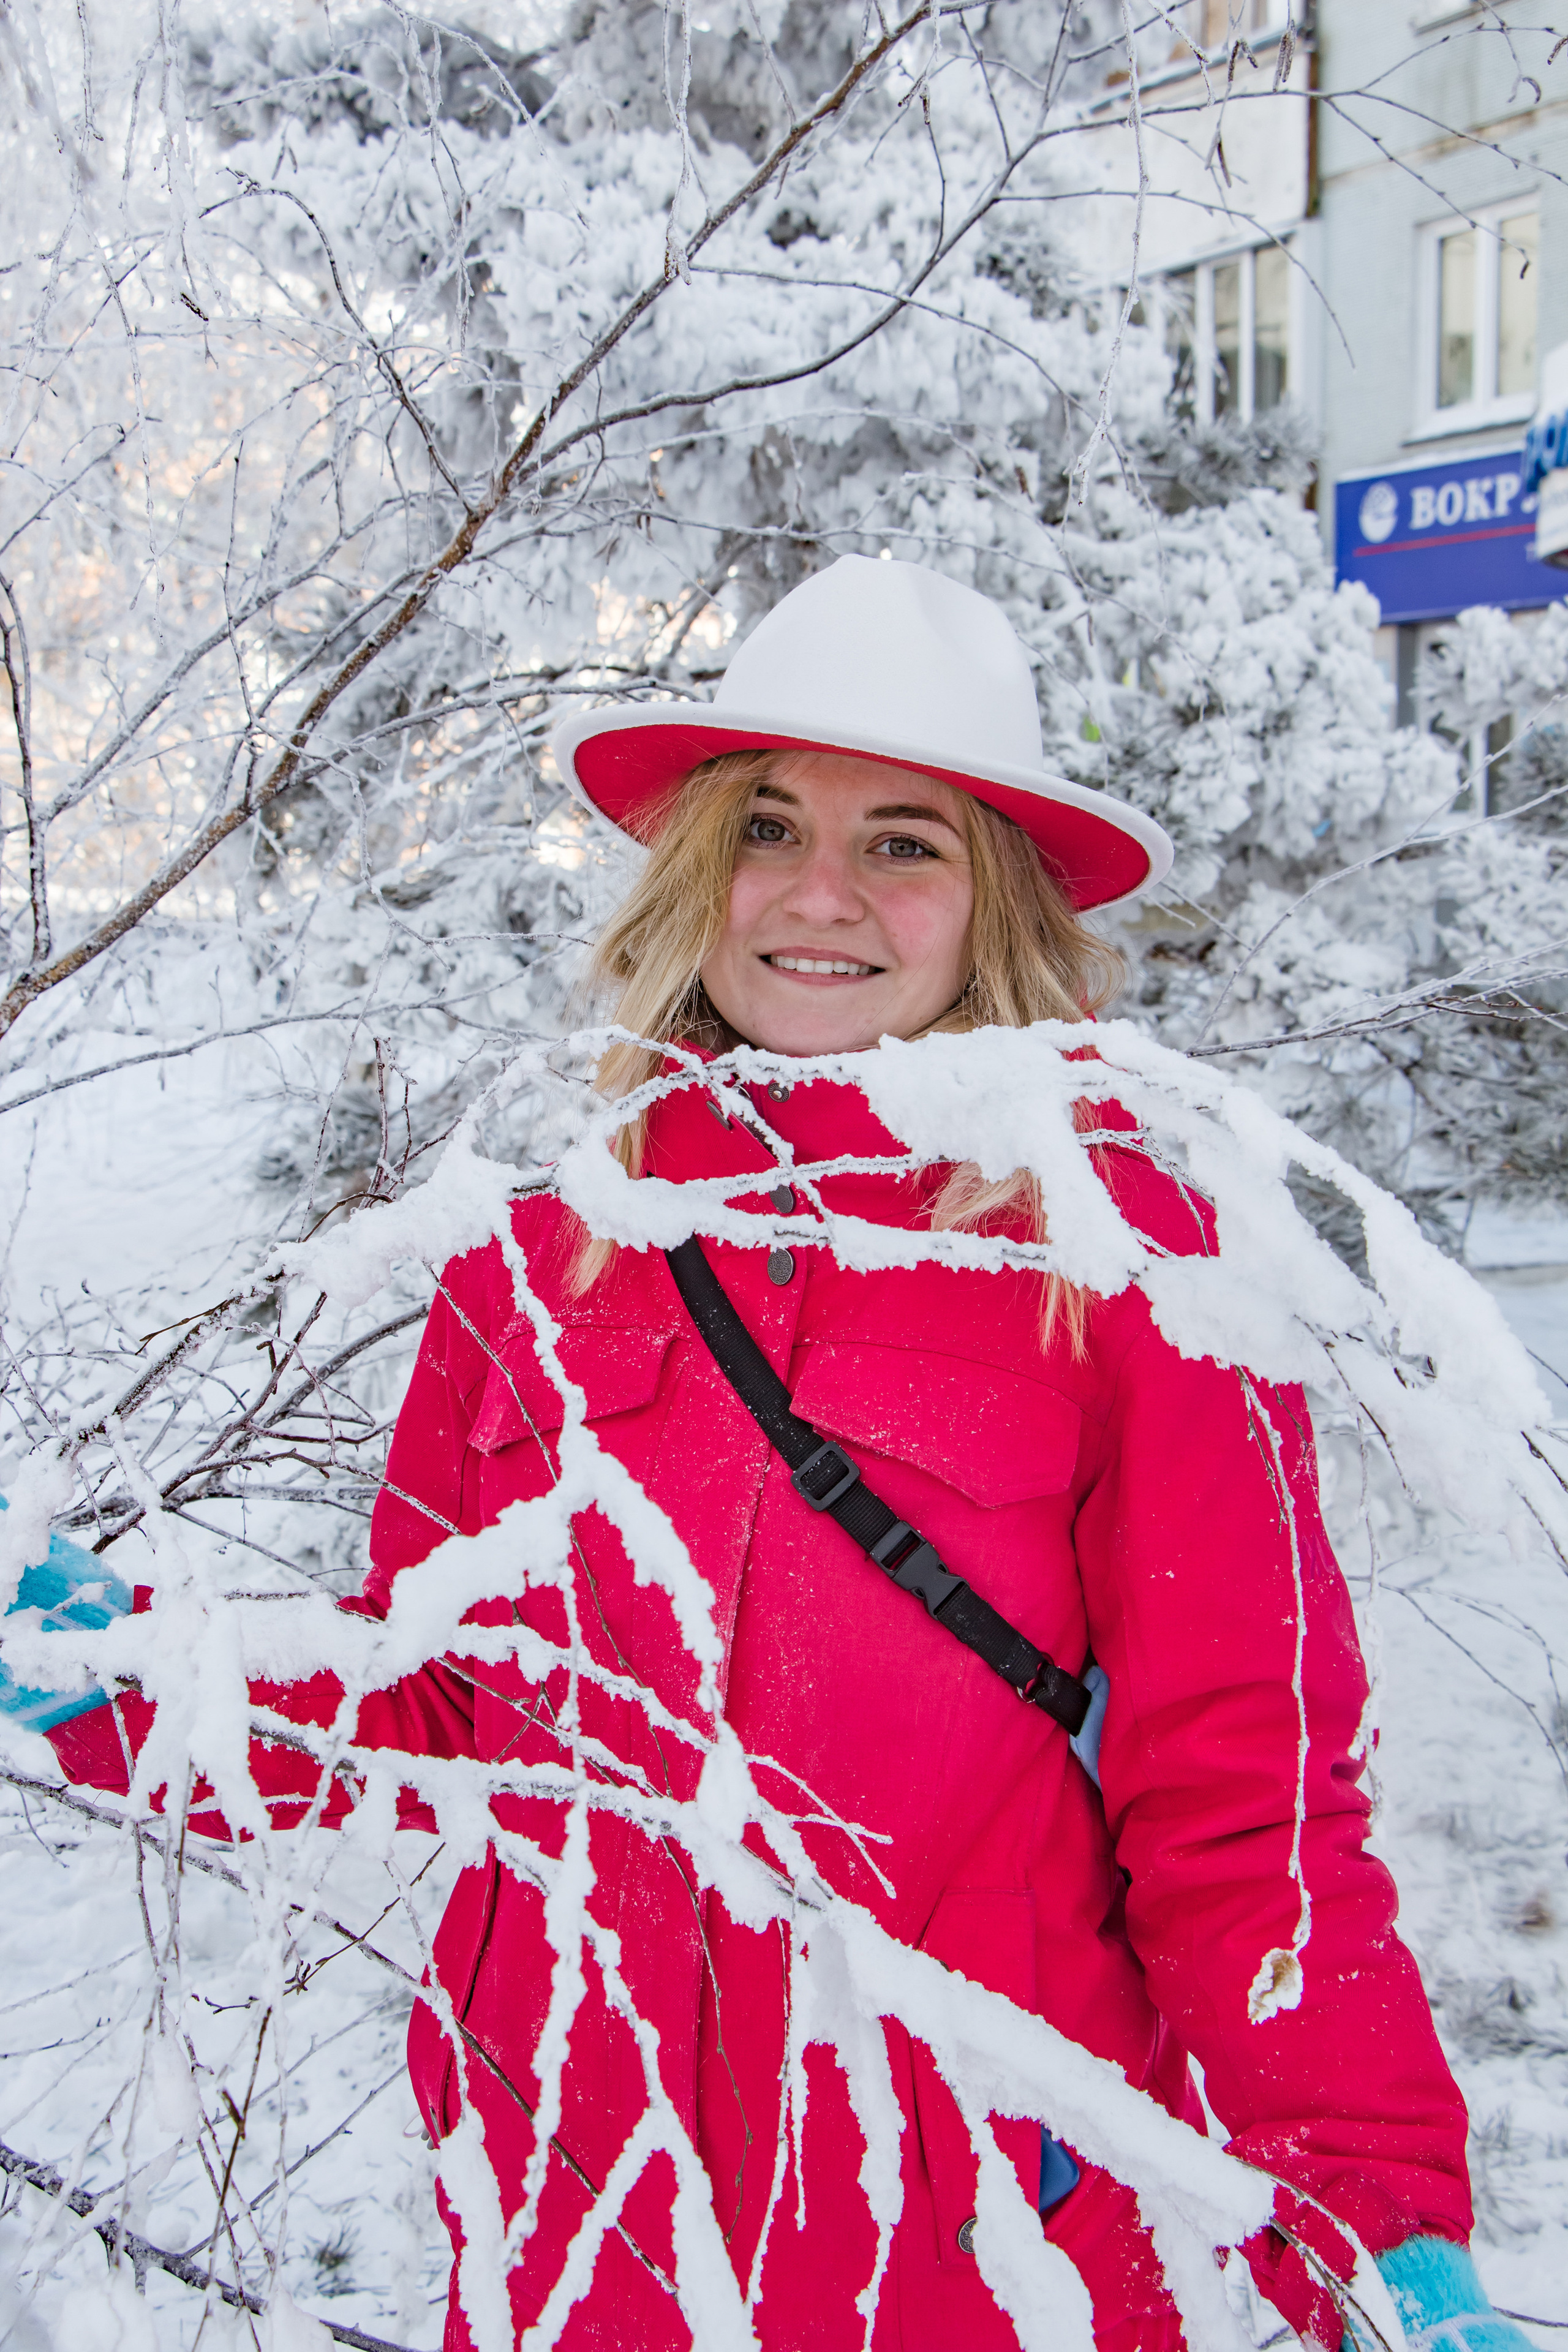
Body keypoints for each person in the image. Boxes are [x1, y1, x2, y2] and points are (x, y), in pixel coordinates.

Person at [24, 558, 1526, 2351]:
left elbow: (1243, 1797)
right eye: (767, 828)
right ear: (697, 873)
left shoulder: (1125, 1264)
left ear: (996, 899)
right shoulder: (548, 1251)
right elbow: (444, 1703)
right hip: (577, 2191)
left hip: (978, 2215)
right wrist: (127, 1678)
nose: (822, 894)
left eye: (903, 842)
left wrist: (1369, 2206)